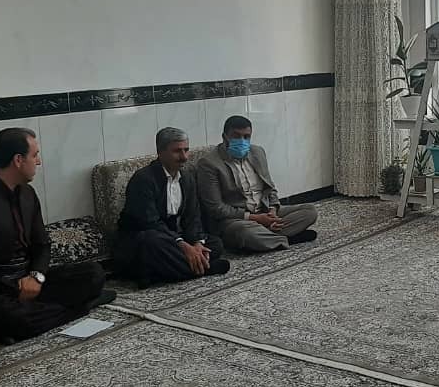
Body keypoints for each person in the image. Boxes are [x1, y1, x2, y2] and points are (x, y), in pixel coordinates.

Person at [0, 128, 114, 344]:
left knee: (93, 274)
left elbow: (42, 245)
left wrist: (36, 277)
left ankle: (26, 320)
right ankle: (80, 307)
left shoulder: (27, 194)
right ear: (18, 160)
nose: (38, 162)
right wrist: (13, 290)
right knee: (9, 315)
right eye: (35, 155)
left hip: (26, 283)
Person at [114, 127, 229, 288]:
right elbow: (150, 223)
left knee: (215, 244)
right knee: (152, 242)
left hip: (172, 237)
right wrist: (183, 245)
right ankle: (204, 269)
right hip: (142, 239)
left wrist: (196, 243)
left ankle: (163, 272)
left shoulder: (186, 178)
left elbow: (193, 217)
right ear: (160, 152)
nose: (184, 157)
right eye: (177, 151)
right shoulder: (143, 179)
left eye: (186, 150)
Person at [197, 115, 318, 253]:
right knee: (245, 232)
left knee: (310, 211)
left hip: (264, 211)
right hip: (237, 220)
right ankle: (286, 237)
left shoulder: (257, 152)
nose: (242, 141)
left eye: (246, 137)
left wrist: (272, 211)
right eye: (236, 136)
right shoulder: (209, 164)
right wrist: (255, 218)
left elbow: (270, 188)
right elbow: (216, 208)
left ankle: (268, 238)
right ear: (225, 137)